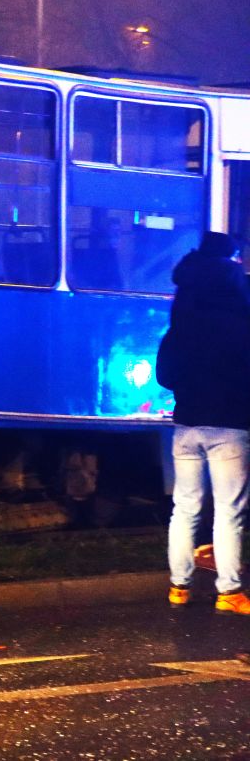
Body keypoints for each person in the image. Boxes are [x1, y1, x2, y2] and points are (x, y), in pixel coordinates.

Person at [156, 231, 250, 615]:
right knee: (229, 511)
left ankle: (179, 587)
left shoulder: (181, 324)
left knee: (184, 508)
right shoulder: (240, 324)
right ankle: (229, 592)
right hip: (229, 424)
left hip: (186, 424)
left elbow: (165, 376)